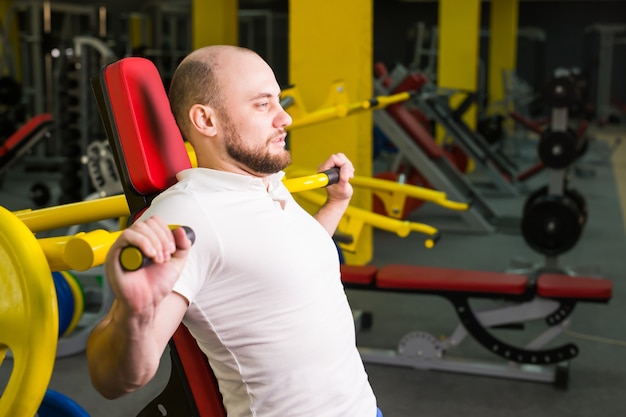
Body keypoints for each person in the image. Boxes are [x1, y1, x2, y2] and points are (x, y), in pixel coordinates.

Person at [86, 45, 380, 417]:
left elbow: (288, 267)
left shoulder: (263, 181)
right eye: (263, 105)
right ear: (205, 121)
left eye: (278, 100)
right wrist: (136, 312)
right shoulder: (186, 215)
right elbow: (116, 380)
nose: (285, 117)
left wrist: (334, 206)